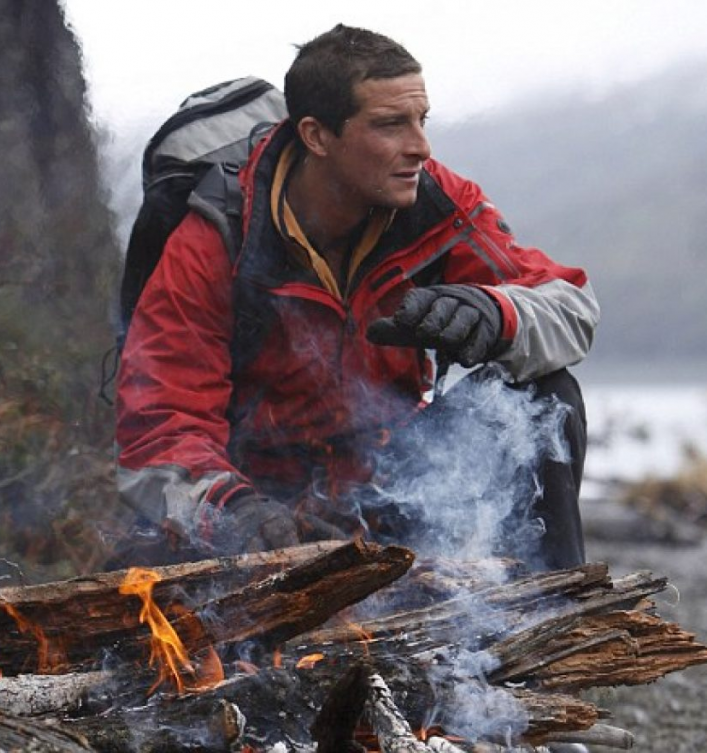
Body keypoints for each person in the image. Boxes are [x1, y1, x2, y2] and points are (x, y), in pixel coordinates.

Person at [114, 24, 599, 572]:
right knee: (158, 590)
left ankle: (551, 607)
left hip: (390, 486)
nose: (420, 146)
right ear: (318, 136)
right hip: (256, 508)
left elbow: (571, 307)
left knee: (546, 396)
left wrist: (497, 315)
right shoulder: (218, 236)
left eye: (422, 120)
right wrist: (239, 512)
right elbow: (161, 426)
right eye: (391, 125)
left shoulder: (436, 202)